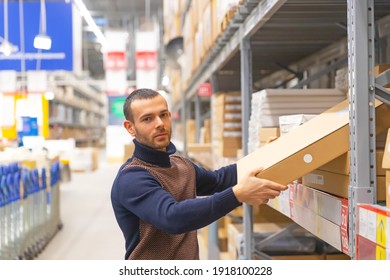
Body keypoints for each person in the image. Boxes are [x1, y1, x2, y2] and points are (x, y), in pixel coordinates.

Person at [111, 88, 287, 260]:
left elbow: (219, 180)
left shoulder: (182, 165)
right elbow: (172, 217)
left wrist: (263, 155)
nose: (159, 123)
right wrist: (237, 195)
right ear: (130, 127)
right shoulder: (132, 178)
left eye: (163, 115)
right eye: (147, 119)